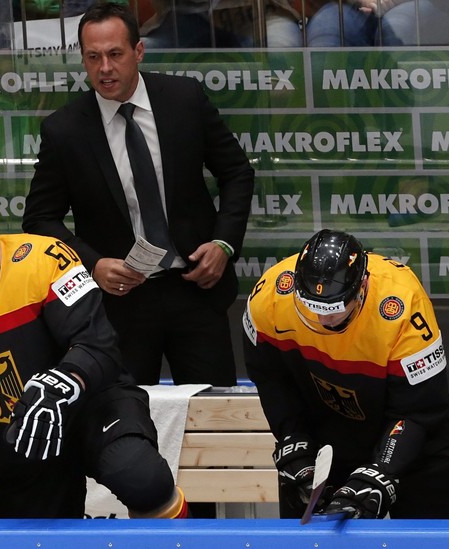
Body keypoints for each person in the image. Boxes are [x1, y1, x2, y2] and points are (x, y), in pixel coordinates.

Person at [0, 160, 188, 520]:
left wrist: (63, 382)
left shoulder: (45, 257)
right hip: (25, 440)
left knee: (142, 478)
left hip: (90, 406)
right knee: (36, 539)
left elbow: (98, 344)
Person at [23, 2, 254, 387]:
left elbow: (237, 173)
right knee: (124, 421)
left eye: (115, 54)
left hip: (196, 287)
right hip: (119, 304)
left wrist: (223, 244)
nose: (105, 68)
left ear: (138, 51)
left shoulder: (184, 99)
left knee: (213, 414)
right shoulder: (64, 131)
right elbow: (39, 219)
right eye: (93, 57)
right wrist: (93, 265)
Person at [243, 229, 449, 519]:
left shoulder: (402, 304)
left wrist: (382, 471)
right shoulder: (268, 297)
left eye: (335, 309)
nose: (323, 319)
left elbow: (421, 410)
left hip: (411, 436)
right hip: (327, 430)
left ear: (362, 285)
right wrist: (292, 437)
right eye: (312, 308)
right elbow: (270, 377)